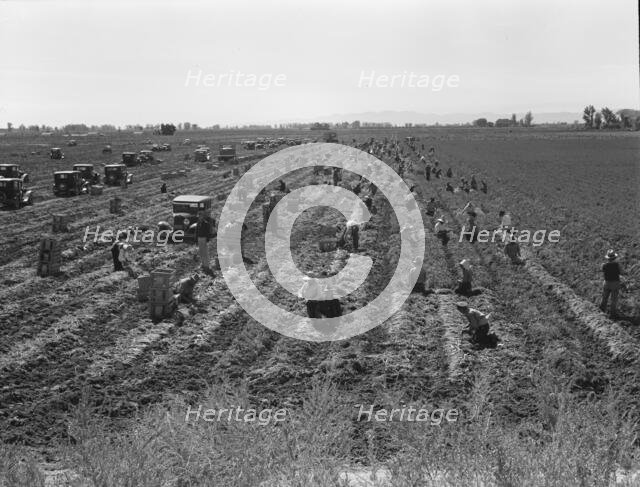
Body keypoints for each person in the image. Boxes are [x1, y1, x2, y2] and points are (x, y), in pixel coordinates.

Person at [600, 250, 623, 319]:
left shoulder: (604, 265)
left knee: (604, 297)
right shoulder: (617, 265)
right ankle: (612, 314)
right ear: (614, 258)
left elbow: (602, 271)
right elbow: (621, 272)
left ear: (607, 258)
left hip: (606, 283)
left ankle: (601, 310)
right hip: (615, 283)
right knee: (613, 299)